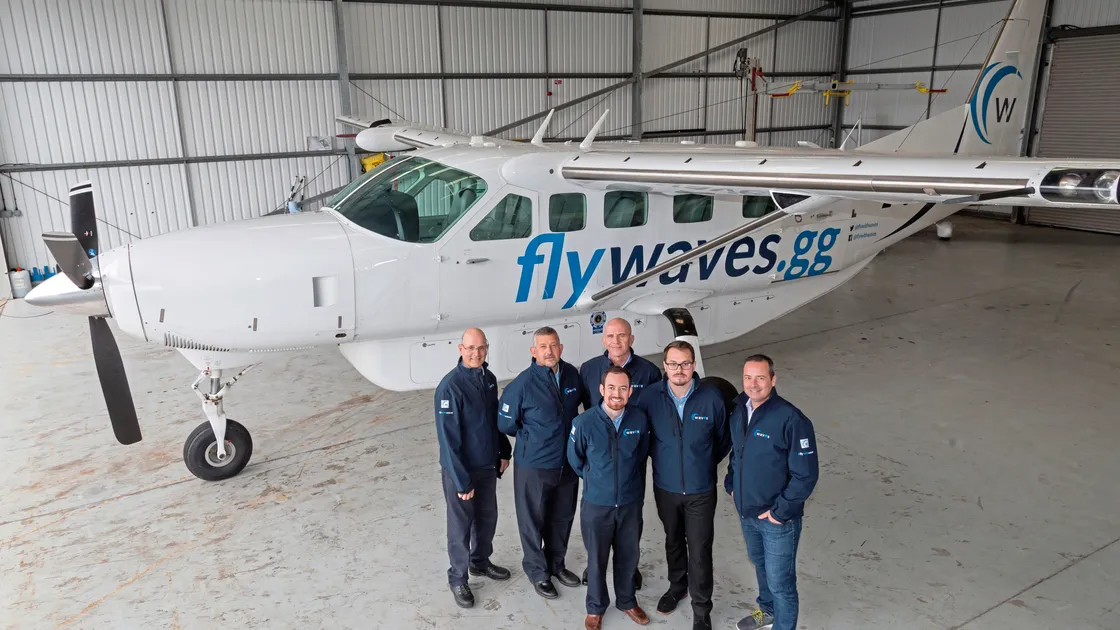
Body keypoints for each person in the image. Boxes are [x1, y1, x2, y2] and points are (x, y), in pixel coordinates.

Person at [636, 340, 730, 630]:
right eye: (673, 364)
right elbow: (643, 436)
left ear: (693, 366)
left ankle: (701, 608)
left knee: (700, 549)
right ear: (664, 366)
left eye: (685, 363)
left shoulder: (712, 398)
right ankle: (678, 586)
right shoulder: (650, 397)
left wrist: (700, 462)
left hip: (701, 490)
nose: (680, 369)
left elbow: (723, 440)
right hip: (666, 487)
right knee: (673, 540)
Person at [725, 354, 819, 630]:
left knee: (781, 583)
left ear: (773, 380)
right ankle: (767, 612)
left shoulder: (791, 419)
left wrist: (780, 513)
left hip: (777, 519)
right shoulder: (739, 408)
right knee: (761, 566)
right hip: (747, 512)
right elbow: (736, 453)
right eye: (748, 377)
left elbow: (806, 474)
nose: (753, 384)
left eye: (761, 378)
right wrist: (732, 485)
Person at [498, 326, 585, 599]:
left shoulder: (571, 374)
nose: (549, 351)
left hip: (567, 463)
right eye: (543, 346)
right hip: (533, 465)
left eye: (554, 345)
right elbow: (506, 424)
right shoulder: (521, 385)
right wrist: (534, 438)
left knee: (562, 517)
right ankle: (538, 573)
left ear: (561, 347)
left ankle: (556, 565)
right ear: (534, 352)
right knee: (532, 521)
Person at [578, 316, 662, 588]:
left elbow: (652, 417)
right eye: (611, 336)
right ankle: (595, 567)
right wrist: (590, 467)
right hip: (599, 461)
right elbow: (584, 414)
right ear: (604, 339)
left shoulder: (649, 372)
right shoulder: (589, 370)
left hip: (632, 458)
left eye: (622, 335)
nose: (616, 341)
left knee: (630, 519)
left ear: (632, 339)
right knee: (597, 521)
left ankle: (629, 567)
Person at [568, 366, 652, 630]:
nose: (617, 394)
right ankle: (595, 607)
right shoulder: (583, 423)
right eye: (612, 388)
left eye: (623, 388)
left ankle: (627, 600)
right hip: (596, 504)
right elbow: (575, 459)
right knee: (596, 558)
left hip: (629, 502)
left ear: (630, 391)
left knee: (628, 555)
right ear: (602, 390)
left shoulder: (639, 420)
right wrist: (595, 478)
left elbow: (641, 454)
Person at [433, 328, 512, 608]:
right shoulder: (450, 387)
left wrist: (504, 451)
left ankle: (480, 561)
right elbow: (448, 440)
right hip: (461, 471)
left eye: (481, 348)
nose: (476, 353)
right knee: (461, 526)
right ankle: (458, 578)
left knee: (487, 518)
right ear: (460, 349)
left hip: (487, 466)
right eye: (471, 348)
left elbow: (494, 421)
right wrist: (461, 481)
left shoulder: (488, 379)